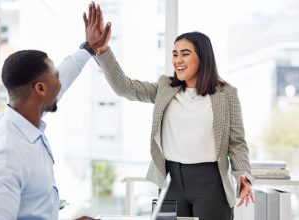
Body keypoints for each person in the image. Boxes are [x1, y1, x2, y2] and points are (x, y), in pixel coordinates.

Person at [83, 4, 255, 219]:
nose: (177, 60)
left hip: (211, 181)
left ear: (203, 57)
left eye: (185, 54)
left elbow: (237, 142)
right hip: (171, 180)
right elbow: (124, 87)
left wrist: (244, 175)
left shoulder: (226, 94)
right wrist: (102, 50)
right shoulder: (165, 87)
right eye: (175, 54)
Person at [0, 4, 108, 219]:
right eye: (55, 76)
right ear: (40, 88)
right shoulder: (6, 153)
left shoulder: (21, 122)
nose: (60, 82)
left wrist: (89, 48)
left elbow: (65, 76)